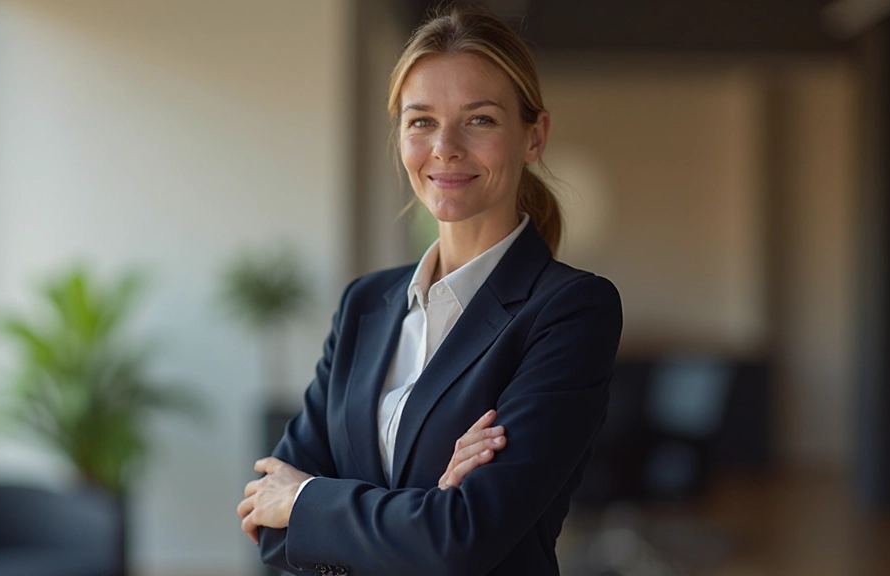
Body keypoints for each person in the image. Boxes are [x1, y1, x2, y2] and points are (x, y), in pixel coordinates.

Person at [236, 5, 622, 575]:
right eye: (421, 121)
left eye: (480, 119)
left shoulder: (569, 310)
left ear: (534, 136)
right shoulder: (365, 304)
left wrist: (307, 500)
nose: (445, 146)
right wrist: (425, 511)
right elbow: (266, 526)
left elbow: (462, 539)